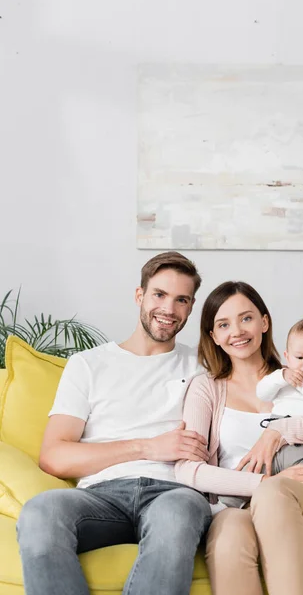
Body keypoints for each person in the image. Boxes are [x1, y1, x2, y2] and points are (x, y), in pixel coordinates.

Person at [16, 251, 213, 595]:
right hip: (100, 498)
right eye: (159, 295)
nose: (169, 309)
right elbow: (54, 456)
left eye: (181, 300)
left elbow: (276, 402)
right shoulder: (88, 364)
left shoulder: (205, 366)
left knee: (176, 514)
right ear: (140, 296)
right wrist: (148, 447)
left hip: (174, 493)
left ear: (191, 306)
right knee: (40, 511)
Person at [175, 281, 303, 595]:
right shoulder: (206, 387)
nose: (237, 330)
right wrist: (265, 482)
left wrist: (284, 432)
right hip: (241, 507)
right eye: (223, 324)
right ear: (214, 336)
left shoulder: (299, 372)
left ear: (264, 322)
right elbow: (187, 469)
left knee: (276, 495)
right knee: (229, 537)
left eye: (246, 318)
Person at [219, 317, 303, 509]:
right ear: (287, 356)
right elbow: (262, 393)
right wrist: (282, 376)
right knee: (248, 472)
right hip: (274, 448)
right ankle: (224, 506)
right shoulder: (284, 379)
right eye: (300, 358)